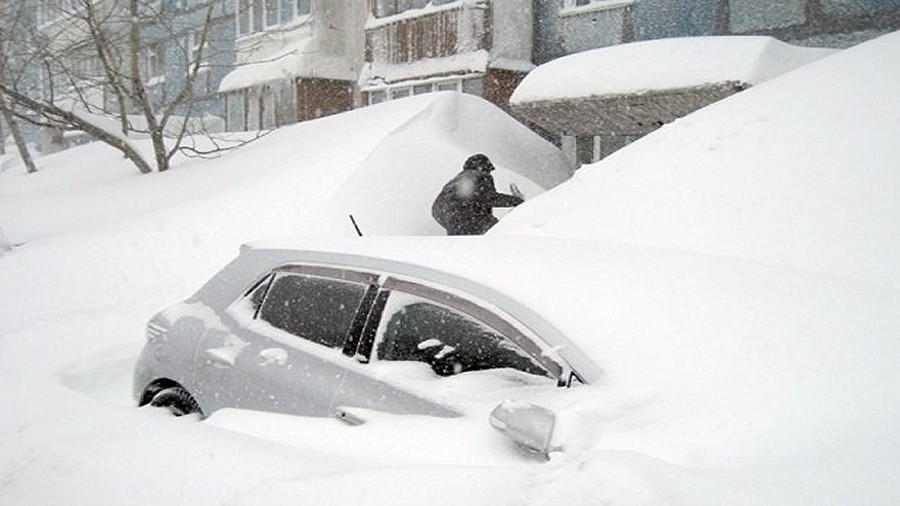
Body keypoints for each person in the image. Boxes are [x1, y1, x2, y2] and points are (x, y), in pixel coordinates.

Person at [431, 154, 525, 235]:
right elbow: (489, 198)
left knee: (462, 239)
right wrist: (516, 201)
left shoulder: (457, 179)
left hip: (444, 215)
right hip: (465, 215)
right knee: (497, 232)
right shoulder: (481, 176)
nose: (489, 173)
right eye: (489, 170)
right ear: (484, 167)